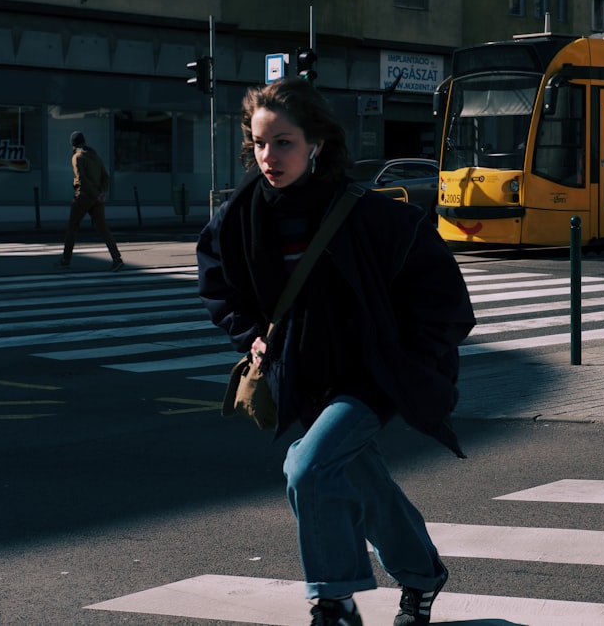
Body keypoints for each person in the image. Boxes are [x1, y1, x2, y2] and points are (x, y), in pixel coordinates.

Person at [196, 78, 475, 626]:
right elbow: (216, 283)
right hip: (301, 375)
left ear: (316, 144)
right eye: (258, 143)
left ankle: (334, 601)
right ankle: (422, 574)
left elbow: (445, 300)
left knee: (307, 467)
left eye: (284, 143)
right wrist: (249, 333)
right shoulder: (241, 215)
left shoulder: (371, 215)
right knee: (359, 478)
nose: (268, 157)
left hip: (372, 376)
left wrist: (408, 355)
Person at [58, 131, 124, 271]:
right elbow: (106, 177)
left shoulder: (77, 157)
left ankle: (65, 259)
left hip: (84, 196)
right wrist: (102, 193)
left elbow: (81, 179)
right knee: (103, 228)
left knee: (72, 226)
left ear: (73, 144)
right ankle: (116, 258)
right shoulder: (95, 156)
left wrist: (94, 194)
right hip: (97, 198)